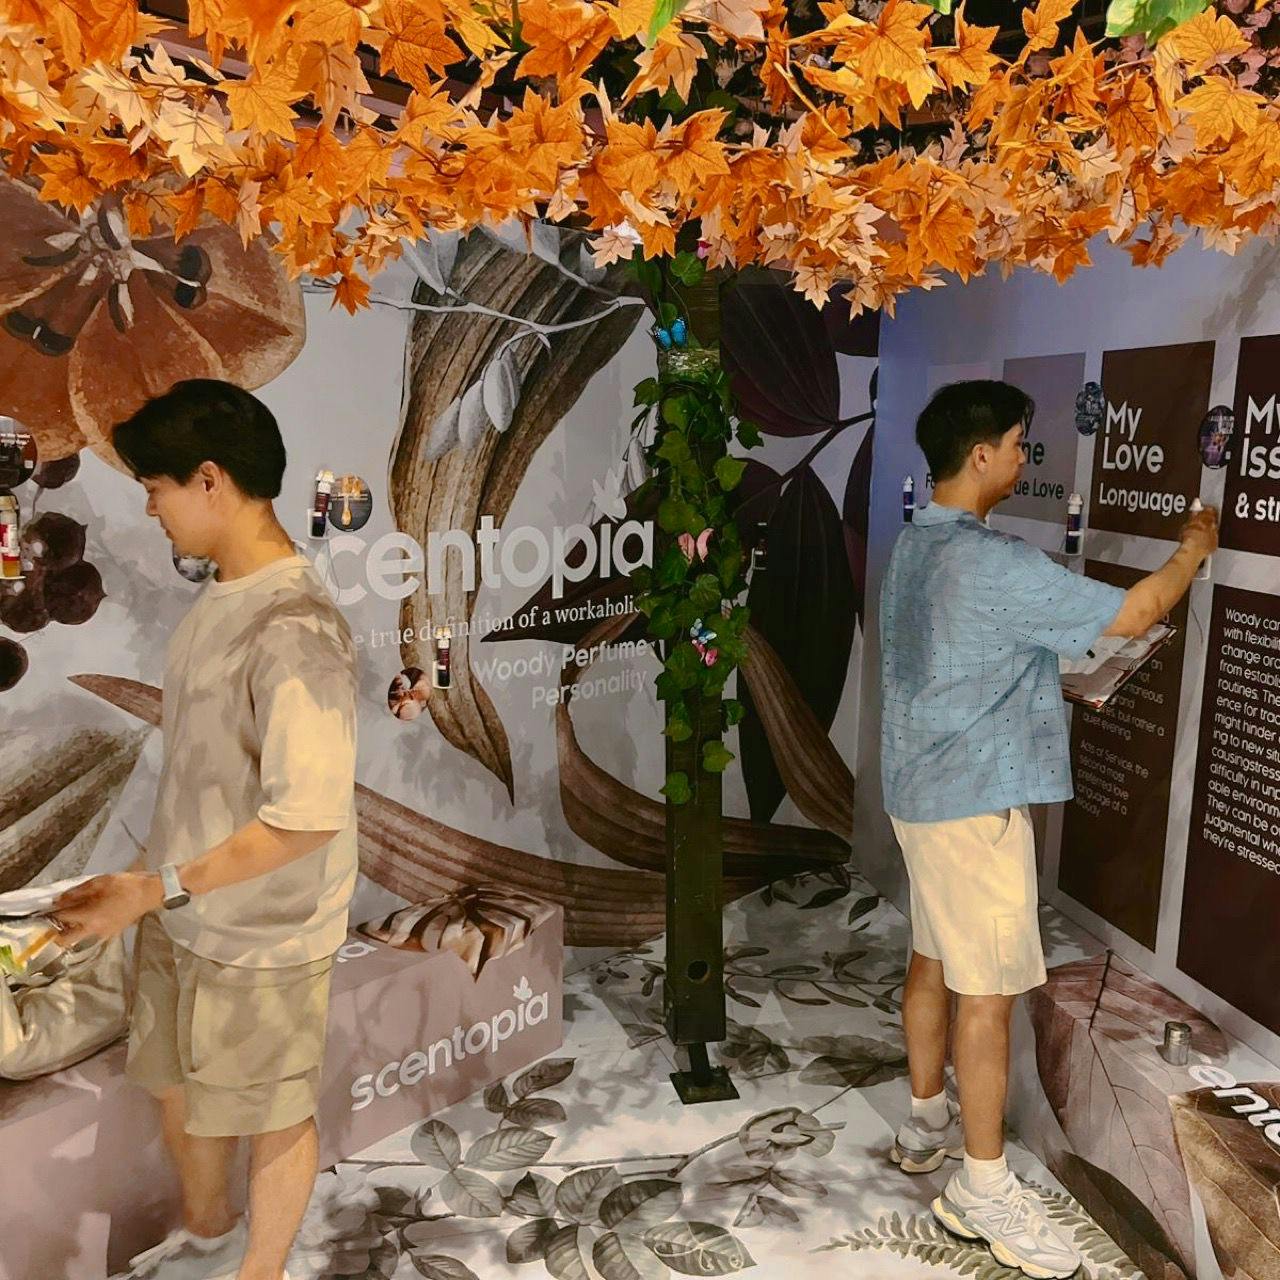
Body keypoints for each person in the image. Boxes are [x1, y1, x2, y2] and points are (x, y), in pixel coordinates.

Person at [879, 380, 1217, 1280]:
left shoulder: (919, 541)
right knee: (986, 997)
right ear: (982, 453)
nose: (1027, 461)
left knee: (932, 959)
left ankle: (923, 1125)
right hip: (973, 805)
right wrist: (1193, 550)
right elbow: (1135, 613)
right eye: (1022, 445)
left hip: (919, 792)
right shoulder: (991, 562)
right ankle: (980, 1193)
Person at [51, 380, 359, 1280]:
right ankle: (207, 1234)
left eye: (155, 488)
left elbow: (306, 817)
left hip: (262, 931)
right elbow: (205, 779)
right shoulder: (222, 600)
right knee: (178, 1084)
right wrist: (147, 887)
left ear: (212, 480)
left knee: (270, 1107)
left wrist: (155, 887)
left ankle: (258, 1272)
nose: (150, 509)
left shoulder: (296, 627)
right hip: (183, 907)